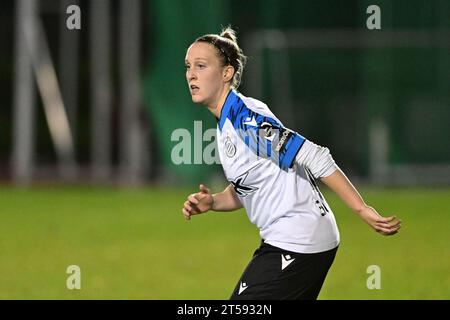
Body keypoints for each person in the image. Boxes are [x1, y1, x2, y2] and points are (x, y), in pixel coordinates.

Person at [182, 26, 401, 300]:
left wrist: (361, 209)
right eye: (188, 66)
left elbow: (315, 155)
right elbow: (252, 186)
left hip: (298, 240)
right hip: (297, 238)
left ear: (227, 73)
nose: (191, 74)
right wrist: (213, 202)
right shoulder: (231, 118)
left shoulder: (246, 119)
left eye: (201, 66)